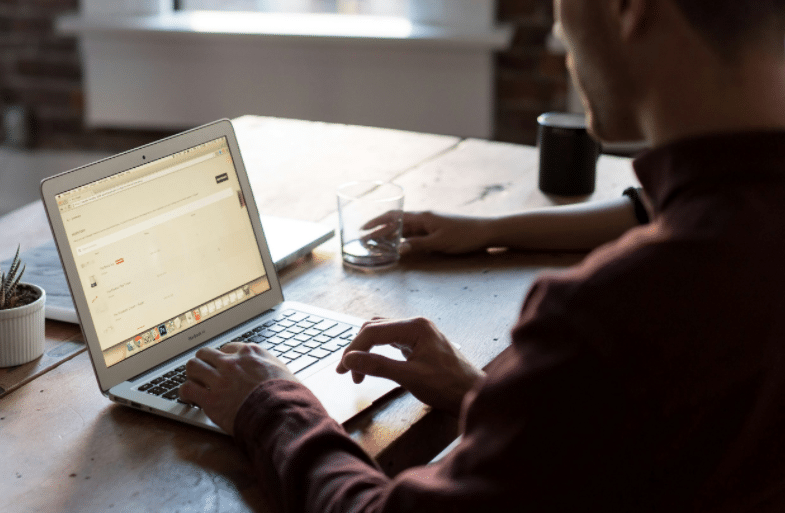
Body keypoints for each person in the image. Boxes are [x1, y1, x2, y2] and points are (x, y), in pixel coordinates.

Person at [180, 0, 785, 510]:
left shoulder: (617, 313)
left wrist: (270, 405)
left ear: (629, 9)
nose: (558, 36)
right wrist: (489, 400)